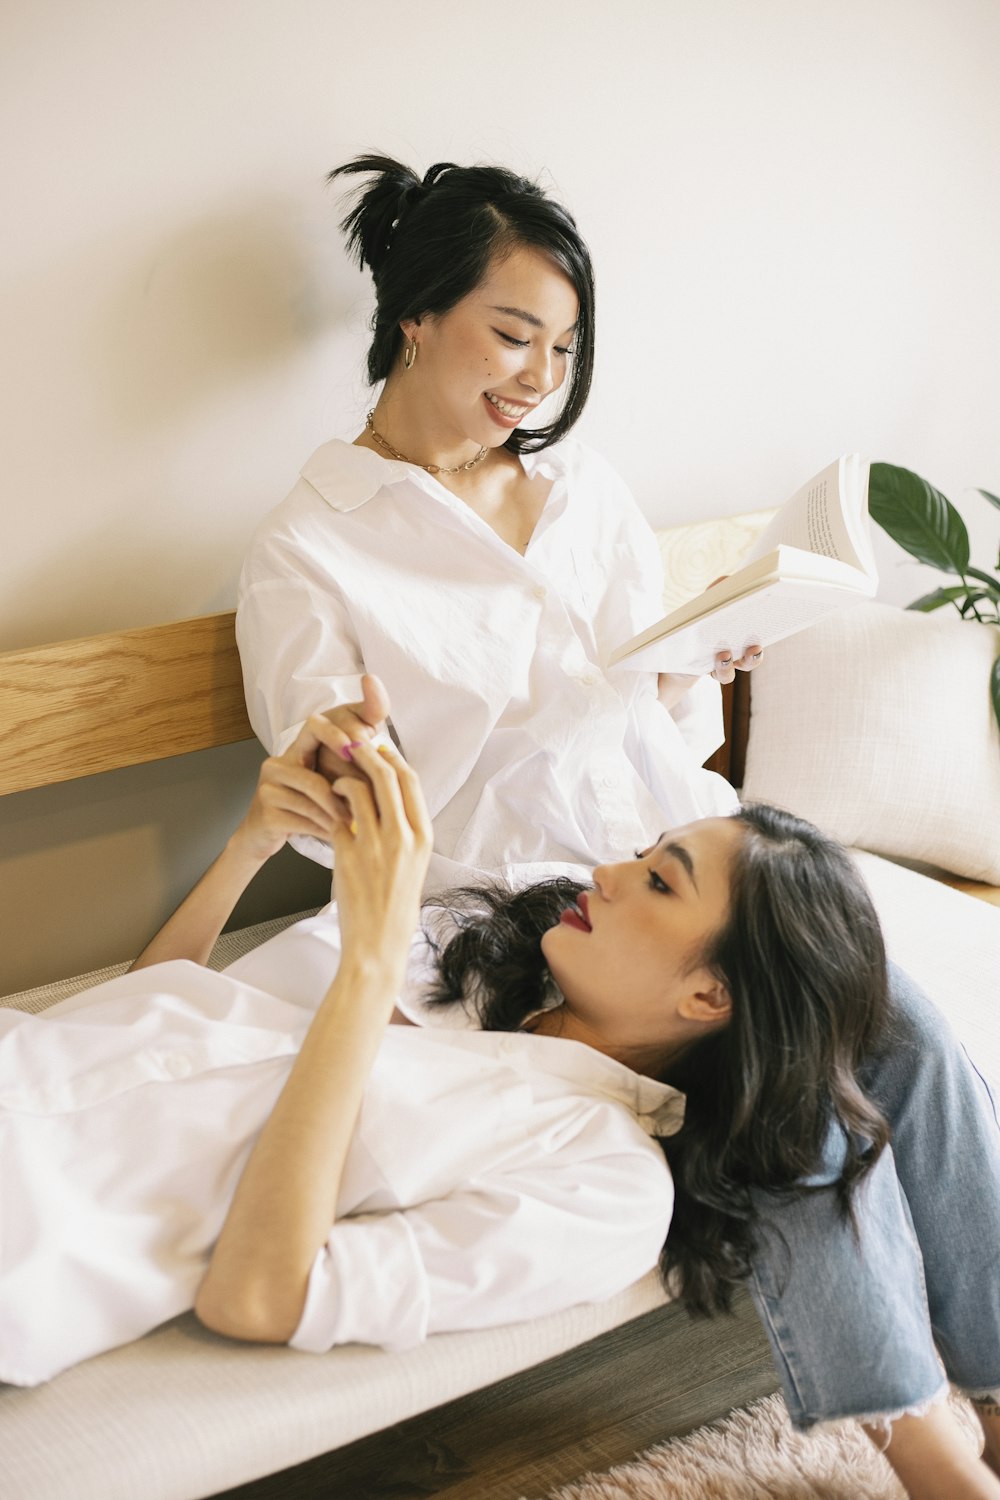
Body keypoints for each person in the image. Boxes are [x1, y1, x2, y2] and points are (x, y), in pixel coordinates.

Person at [2, 718, 998, 1500]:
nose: (601, 871)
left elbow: (256, 1295)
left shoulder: (600, 1175)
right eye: (641, 851)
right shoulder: (466, 964)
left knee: (887, 1010)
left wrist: (366, 956)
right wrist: (249, 848)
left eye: (655, 879)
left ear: (708, 999)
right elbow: (143, 1023)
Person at [235, 153, 765, 891]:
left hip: (690, 864)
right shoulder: (309, 548)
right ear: (416, 314)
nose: (544, 380)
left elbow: (636, 721)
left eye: (562, 348)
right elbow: (339, 818)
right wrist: (343, 763)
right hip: (500, 910)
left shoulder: (580, 486)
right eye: (516, 338)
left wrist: (693, 651)